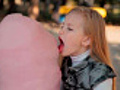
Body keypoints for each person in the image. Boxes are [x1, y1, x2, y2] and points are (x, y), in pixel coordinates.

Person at [58, 7, 116, 90]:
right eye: (62, 26)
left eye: (69, 29)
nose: (60, 32)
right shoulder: (65, 62)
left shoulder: (99, 74)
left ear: (87, 40)